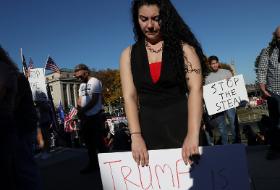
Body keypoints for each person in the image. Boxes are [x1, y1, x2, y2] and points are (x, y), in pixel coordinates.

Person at [120, 0, 206, 167]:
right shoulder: (127, 55)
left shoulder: (185, 50)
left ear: (165, 18)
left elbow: (196, 90)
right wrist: (136, 136)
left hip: (183, 127)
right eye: (143, 19)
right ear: (136, 19)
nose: (150, 25)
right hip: (147, 132)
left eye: (156, 18)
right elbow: (129, 96)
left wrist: (193, 133)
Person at [0, 46, 42, 190]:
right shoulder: (14, 75)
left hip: (20, 128)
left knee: (23, 170)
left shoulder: (12, 75)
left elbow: (11, 105)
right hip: (17, 127)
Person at [74, 63, 107, 174]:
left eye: (80, 75)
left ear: (86, 71)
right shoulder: (81, 85)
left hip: (95, 116)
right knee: (89, 144)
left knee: (99, 142)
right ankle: (93, 164)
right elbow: (79, 99)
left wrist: (83, 110)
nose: (78, 78)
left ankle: (107, 165)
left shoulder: (95, 81)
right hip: (85, 118)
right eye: (77, 76)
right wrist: (79, 109)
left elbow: (94, 100)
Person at [257, 25, 280, 160]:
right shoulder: (268, 51)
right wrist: (262, 87)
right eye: (279, 38)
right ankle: (275, 148)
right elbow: (262, 70)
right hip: (274, 92)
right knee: (275, 122)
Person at [205, 55, 236, 145]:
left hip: (229, 104)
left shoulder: (227, 72)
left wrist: (230, 80)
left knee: (233, 122)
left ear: (218, 63)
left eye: (215, 63)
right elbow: (208, 94)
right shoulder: (208, 78)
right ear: (210, 65)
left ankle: (235, 142)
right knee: (222, 126)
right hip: (217, 107)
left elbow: (234, 85)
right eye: (212, 64)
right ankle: (225, 145)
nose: (214, 65)